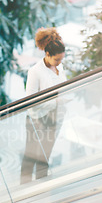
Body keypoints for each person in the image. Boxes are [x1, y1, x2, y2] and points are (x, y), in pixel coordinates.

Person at [21, 27, 67, 184]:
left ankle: (41, 186)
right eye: (57, 60)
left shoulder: (59, 68)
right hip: (37, 119)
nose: (60, 63)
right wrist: (54, 101)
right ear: (47, 54)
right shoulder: (35, 72)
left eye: (62, 59)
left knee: (44, 155)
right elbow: (30, 101)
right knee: (31, 155)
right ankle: (24, 187)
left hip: (54, 117)